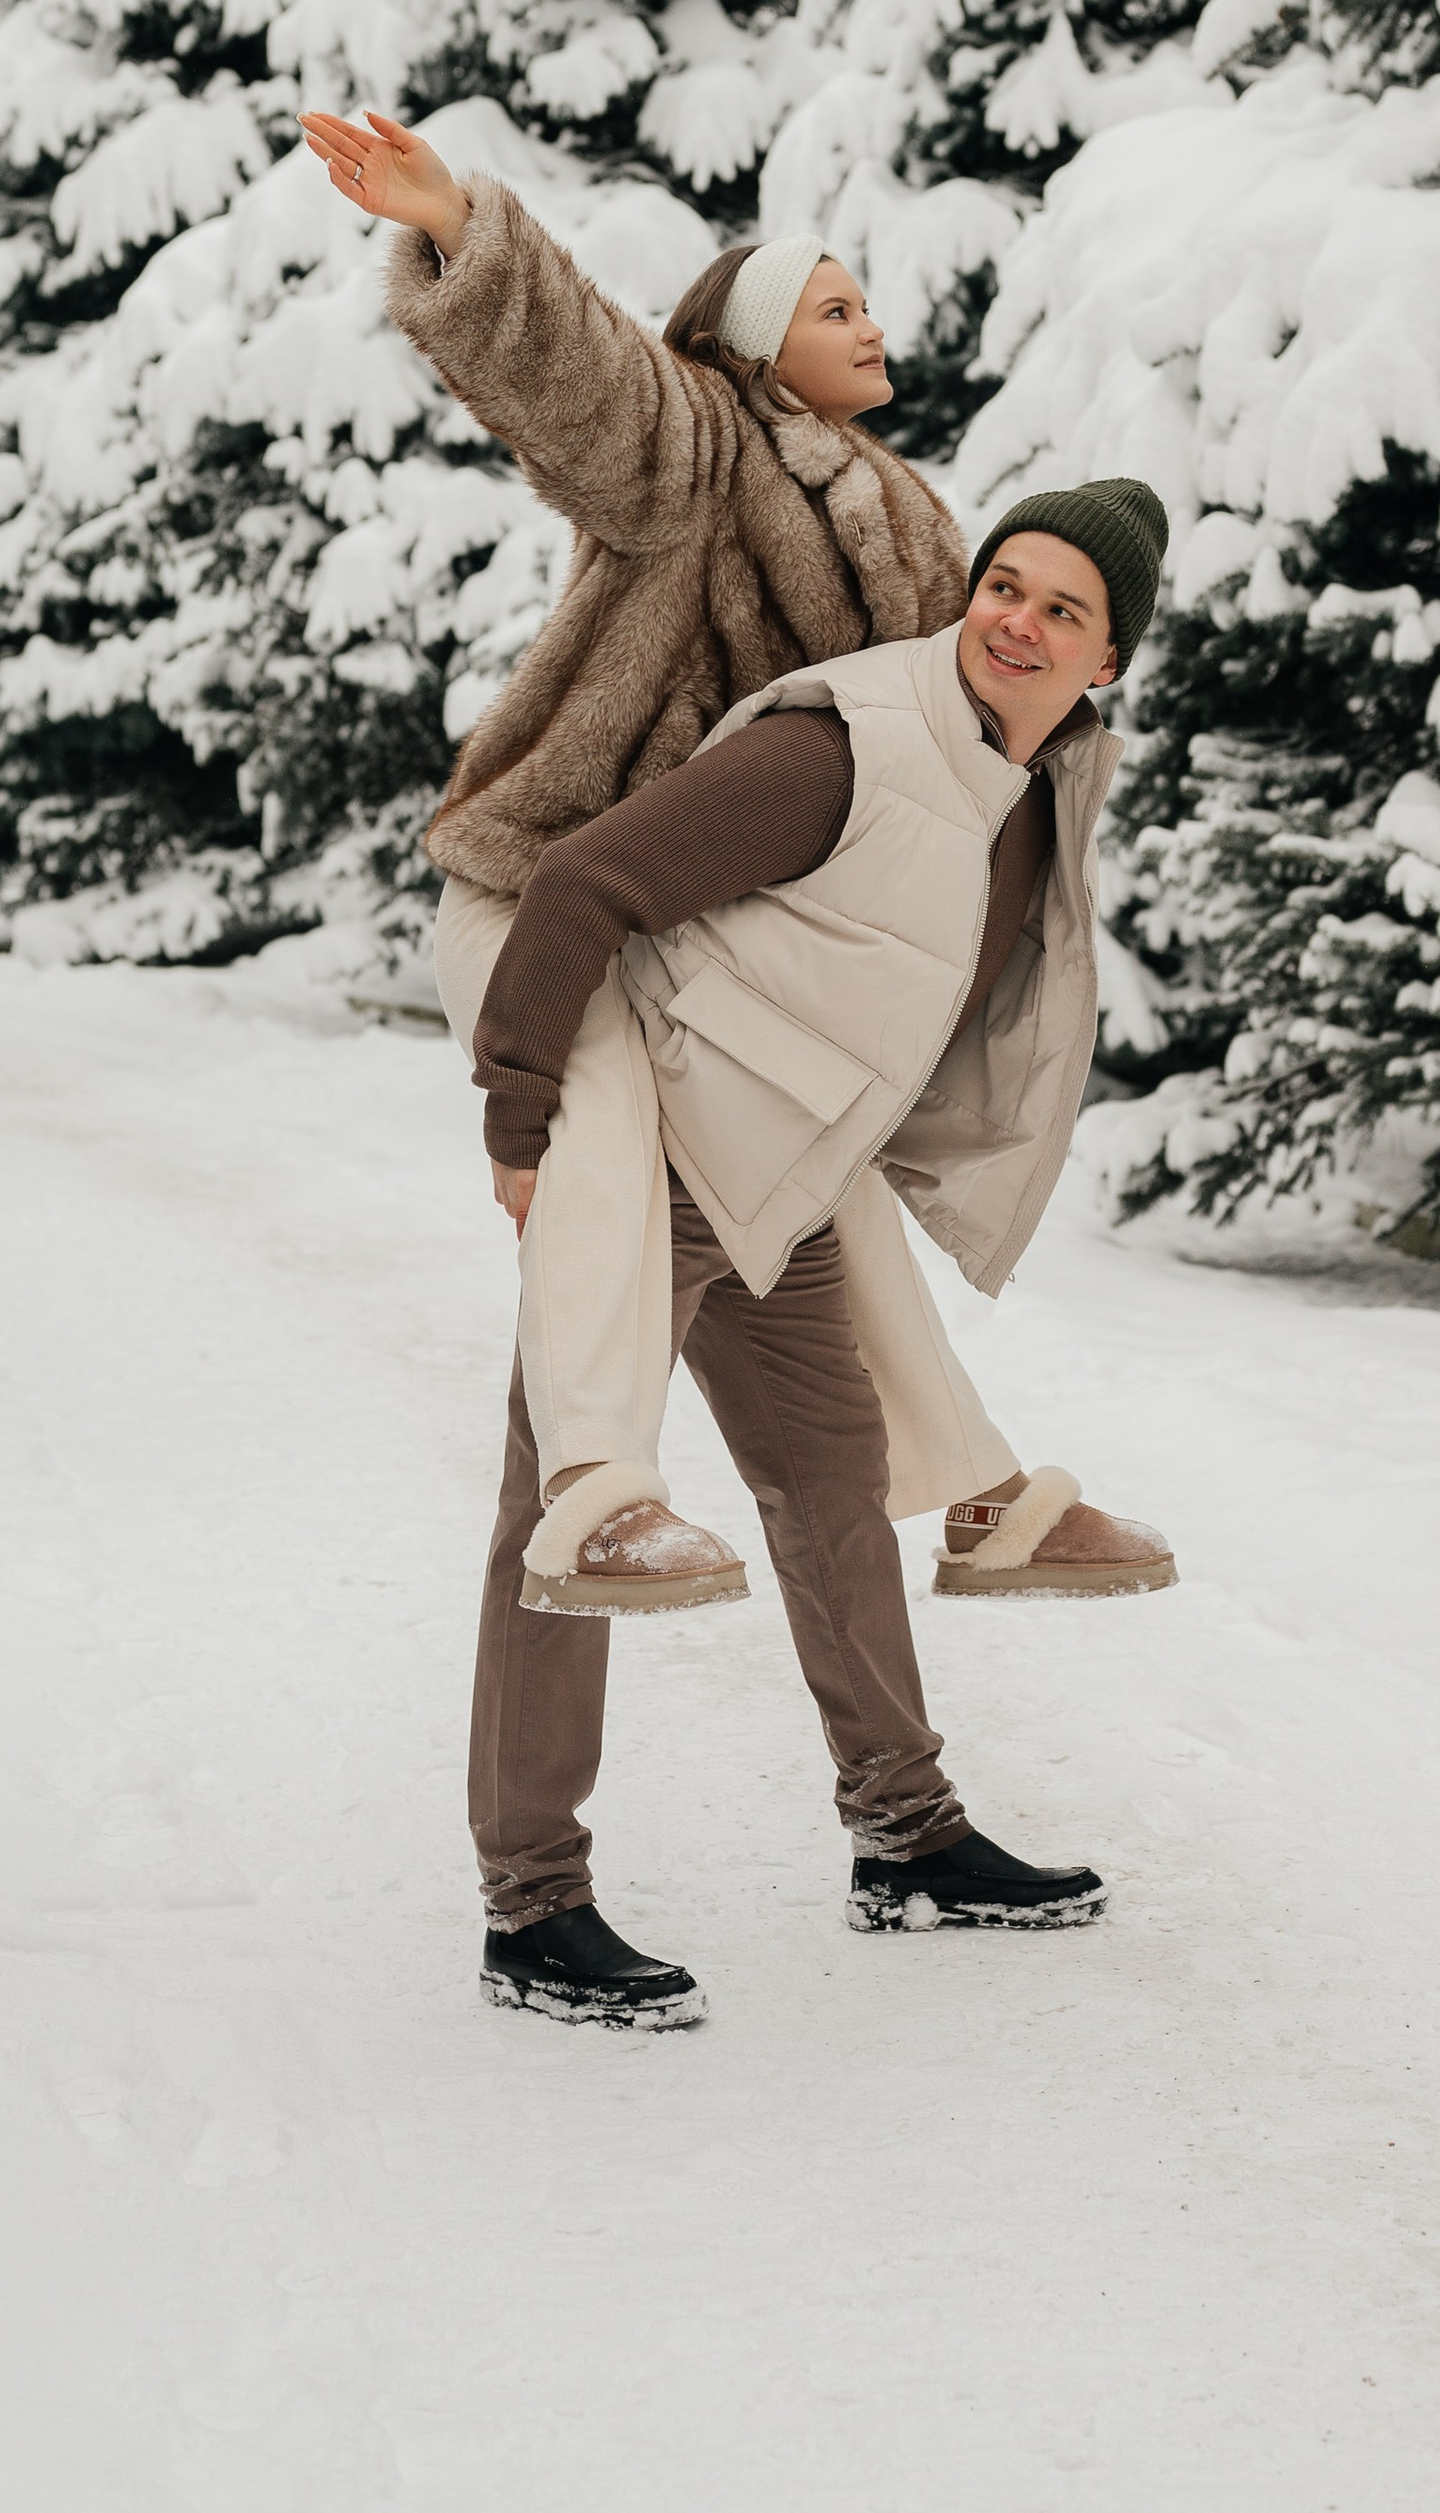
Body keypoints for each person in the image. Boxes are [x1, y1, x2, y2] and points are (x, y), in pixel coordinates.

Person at [298, 103, 1175, 1625]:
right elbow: (584, 373)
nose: (872, 323)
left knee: (828, 1170)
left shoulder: (912, 524)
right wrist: (462, 232)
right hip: (553, 891)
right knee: (602, 1110)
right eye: (835, 306)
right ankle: (596, 1491)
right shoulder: (693, 449)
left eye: (866, 299)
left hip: (703, 941)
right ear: (764, 342)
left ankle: (980, 1496)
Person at [460, 499, 1169, 2025]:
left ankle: (906, 1838)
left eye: (1061, 610)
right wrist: (524, 1115)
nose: (1015, 623)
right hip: (649, 1158)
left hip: (774, 1179)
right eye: (1003, 586)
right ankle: (533, 1908)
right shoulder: (849, 745)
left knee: (835, 1480)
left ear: (1111, 657)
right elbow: (586, 887)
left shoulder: (1034, 778)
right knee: (569, 1513)